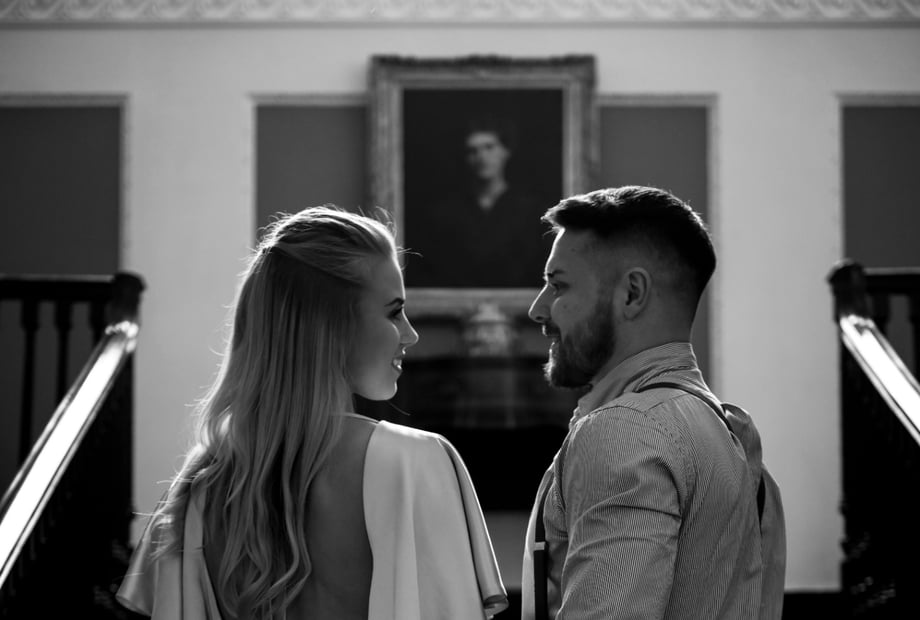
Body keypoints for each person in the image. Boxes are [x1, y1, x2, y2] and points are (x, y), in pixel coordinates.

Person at [116, 206, 508, 619]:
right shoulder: (412, 463)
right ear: (330, 323)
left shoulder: (201, 486)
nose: (410, 334)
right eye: (394, 311)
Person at [521, 186, 786, 619]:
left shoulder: (624, 431)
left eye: (558, 285)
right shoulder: (731, 434)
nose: (538, 308)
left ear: (632, 293)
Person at [405, 118, 553, 288]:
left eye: (489, 147)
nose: (481, 157)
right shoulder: (445, 213)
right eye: (472, 151)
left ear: (506, 151)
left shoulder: (532, 211)